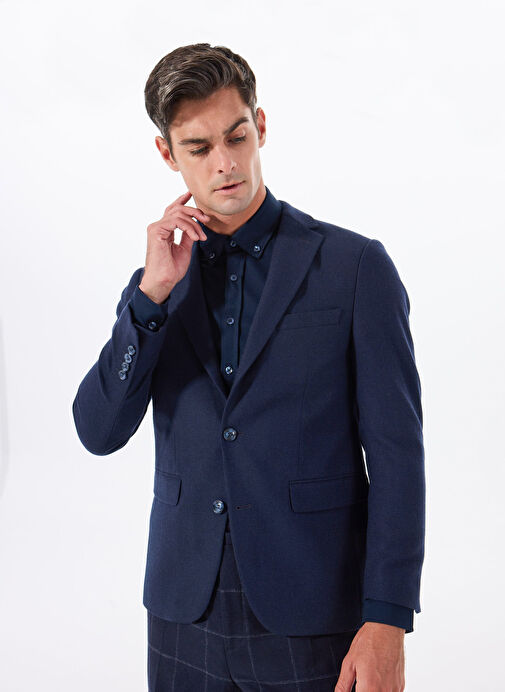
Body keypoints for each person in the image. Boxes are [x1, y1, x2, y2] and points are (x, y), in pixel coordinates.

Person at [72, 43, 425, 692]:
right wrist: (149, 299)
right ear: (167, 154)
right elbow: (98, 431)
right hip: (183, 613)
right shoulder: (157, 284)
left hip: (314, 609)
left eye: (236, 136)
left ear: (260, 125)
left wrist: (387, 620)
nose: (225, 163)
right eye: (199, 147)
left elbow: (398, 458)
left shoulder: (353, 268)